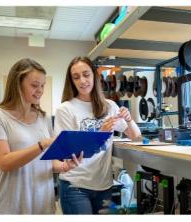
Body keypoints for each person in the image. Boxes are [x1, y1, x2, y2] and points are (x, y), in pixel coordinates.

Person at [0, 58, 82, 214]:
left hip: (42, 204)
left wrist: (63, 166)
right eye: (35, 85)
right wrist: (42, 144)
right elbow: (4, 163)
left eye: (42, 86)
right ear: (17, 84)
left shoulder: (44, 118)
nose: (40, 90)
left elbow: (48, 162)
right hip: (9, 205)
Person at [54, 56, 141, 214]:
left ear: (95, 75)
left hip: (104, 186)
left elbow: (136, 136)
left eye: (86, 74)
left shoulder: (110, 106)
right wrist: (100, 134)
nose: (82, 81)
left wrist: (129, 119)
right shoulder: (65, 109)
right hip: (75, 186)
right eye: (76, 77)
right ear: (71, 81)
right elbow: (68, 152)